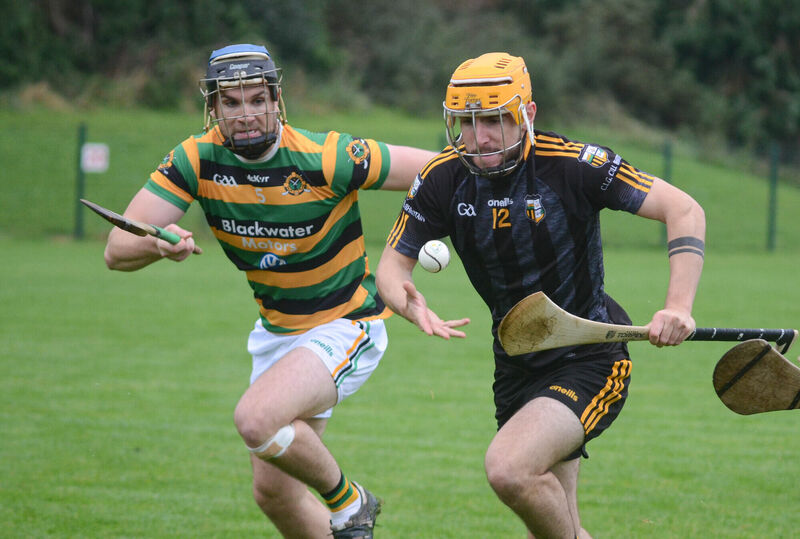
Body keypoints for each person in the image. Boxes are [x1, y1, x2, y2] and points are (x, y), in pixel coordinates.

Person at [103, 43, 436, 539]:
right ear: (213, 107)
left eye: (257, 99)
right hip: (277, 333)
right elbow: (116, 248)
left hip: (345, 323)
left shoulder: (327, 156)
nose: (246, 115)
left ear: (277, 100)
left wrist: (405, 252)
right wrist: (158, 245)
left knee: (256, 419)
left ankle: (351, 504)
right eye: (232, 102)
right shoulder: (194, 160)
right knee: (275, 494)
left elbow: (437, 172)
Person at [375, 52, 705, 538]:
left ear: (527, 114)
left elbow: (684, 210)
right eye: (467, 123)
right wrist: (405, 301)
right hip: (515, 360)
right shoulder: (443, 176)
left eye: (494, 120)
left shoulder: (574, 165)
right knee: (550, 523)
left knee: (510, 469)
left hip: (588, 356)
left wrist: (678, 307)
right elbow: (390, 267)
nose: (479, 137)